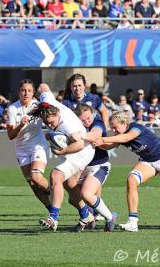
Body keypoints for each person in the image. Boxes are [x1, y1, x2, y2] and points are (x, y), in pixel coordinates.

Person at [93, 111, 160, 232]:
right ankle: (133, 222)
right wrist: (94, 143)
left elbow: (126, 137)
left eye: (115, 127)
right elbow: (108, 145)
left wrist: (103, 139)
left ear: (123, 123)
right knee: (131, 179)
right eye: (112, 127)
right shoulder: (119, 135)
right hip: (148, 161)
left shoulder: (135, 128)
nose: (113, 129)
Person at [31, 83, 95, 231]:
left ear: (58, 114)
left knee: (56, 176)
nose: (50, 126)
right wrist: (37, 95)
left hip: (82, 151)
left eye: (52, 123)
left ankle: (53, 218)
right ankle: (86, 215)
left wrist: (62, 151)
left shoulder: (68, 125)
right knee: (70, 186)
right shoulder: (49, 105)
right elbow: (44, 86)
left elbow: (79, 145)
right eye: (47, 124)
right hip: (73, 150)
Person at [68, 104, 118, 232]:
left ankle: (109, 217)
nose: (87, 122)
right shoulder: (73, 126)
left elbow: (95, 134)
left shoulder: (97, 122)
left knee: (86, 194)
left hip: (99, 165)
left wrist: (81, 135)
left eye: (88, 118)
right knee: (73, 197)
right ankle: (90, 217)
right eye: (83, 120)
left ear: (93, 114)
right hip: (81, 167)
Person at [6, 79, 51, 212]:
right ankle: (51, 209)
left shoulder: (38, 106)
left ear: (33, 93)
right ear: (19, 92)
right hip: (22, 149)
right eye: (23, 90)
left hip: (38, 145)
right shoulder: (13, 109)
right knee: (32, 183)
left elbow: (51, 119)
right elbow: (10, 136)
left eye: (29, 91)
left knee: (36, 178)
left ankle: (53, 191)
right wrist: (21, 124)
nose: (26, 93)